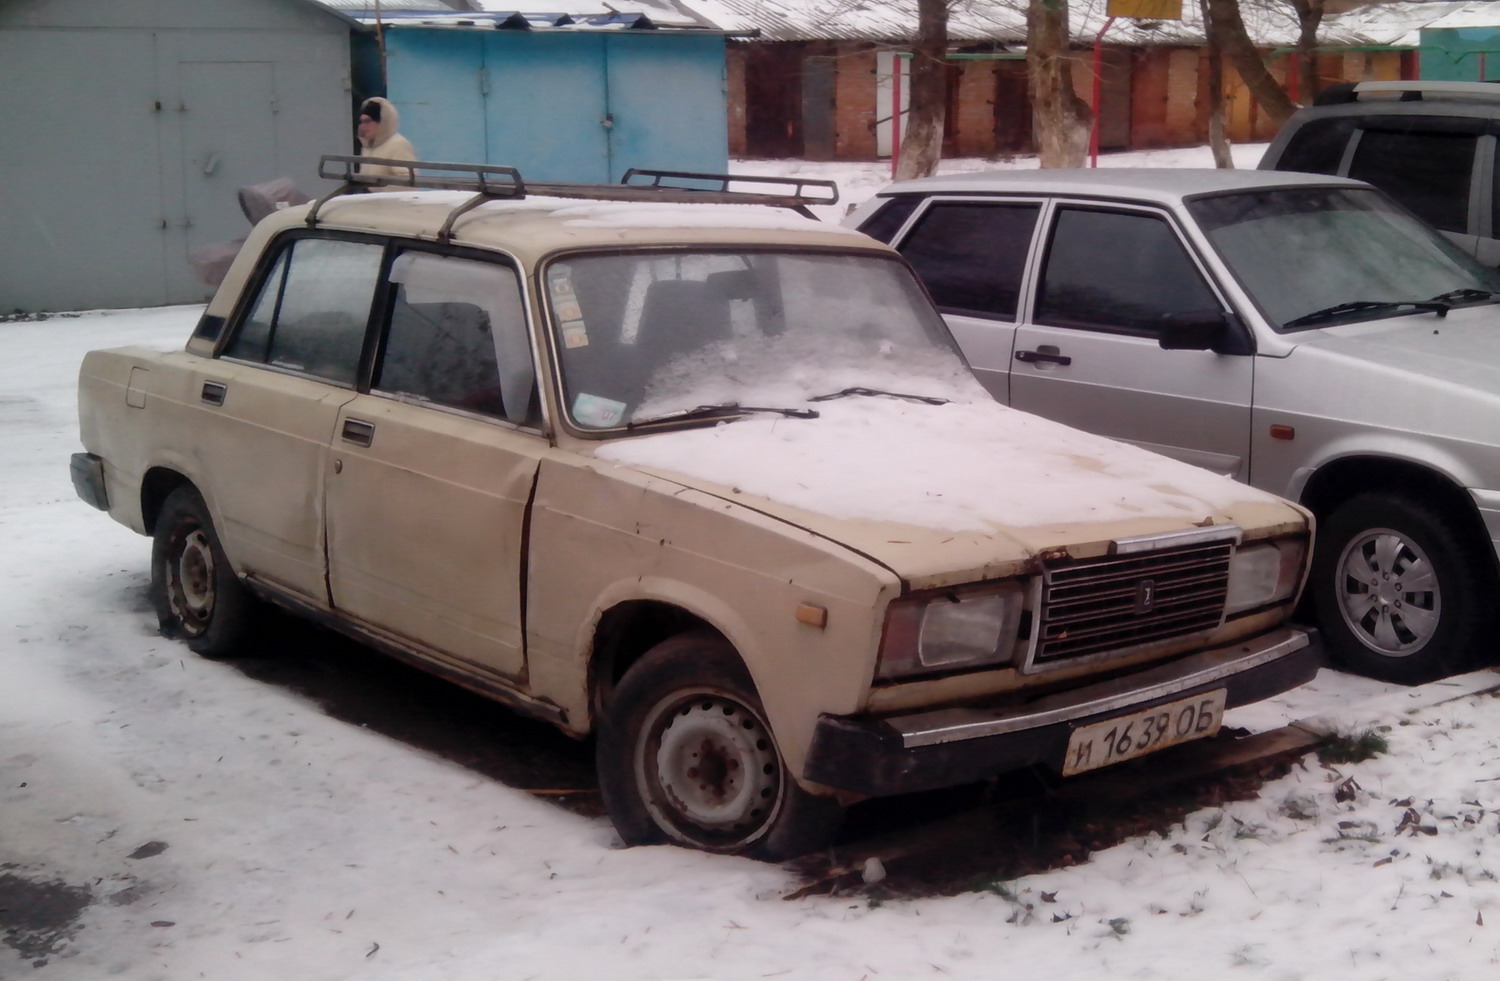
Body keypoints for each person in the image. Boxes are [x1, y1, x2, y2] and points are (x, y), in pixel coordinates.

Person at [355, 97, 417, 187]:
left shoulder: (399, 144)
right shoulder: (368, 146)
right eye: (361, 122)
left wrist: (379, 192)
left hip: (388, 197)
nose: (363, 127)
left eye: (368, 121)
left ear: (382, 121)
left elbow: (407, 181)